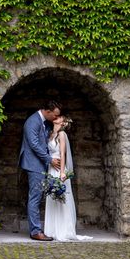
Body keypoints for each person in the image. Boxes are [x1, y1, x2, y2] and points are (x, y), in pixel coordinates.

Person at [44, 115, 92, 241]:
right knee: (52, 198)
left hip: (59, 169)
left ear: (63, 123)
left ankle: (64, 230)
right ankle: (52, 230)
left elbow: (62, 153)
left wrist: (62, 172)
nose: (57, 117)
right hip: (51, 168)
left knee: (61, 199)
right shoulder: (50, 134)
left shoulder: (62, 134)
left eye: (60, 117)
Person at [19, 100, 62, 241]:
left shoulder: (42, 122)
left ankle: (37, 229)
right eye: (55, 116)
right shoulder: (33, 121)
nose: (55, 118)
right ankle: (35, 231)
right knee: (35, 197)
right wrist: (49, 159)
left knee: (37, 197)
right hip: (34, 165)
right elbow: (34, 145)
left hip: (38, 164)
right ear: (47, 111)